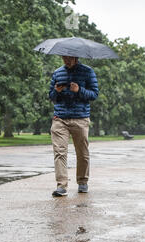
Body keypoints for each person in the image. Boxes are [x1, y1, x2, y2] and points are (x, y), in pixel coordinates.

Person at [48, 56, 99, 197]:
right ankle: (61, 185)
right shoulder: (57, 73)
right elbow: (51, 96)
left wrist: (79, 90)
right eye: (64, 58)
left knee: (82, 153)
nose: (66, 60)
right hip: (60, 118)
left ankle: (82, 182)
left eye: (69, 58)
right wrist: (56, 91)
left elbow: (94, 94)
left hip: (80, 118)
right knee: (59, 152)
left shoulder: (88, 72)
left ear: (75, 57)